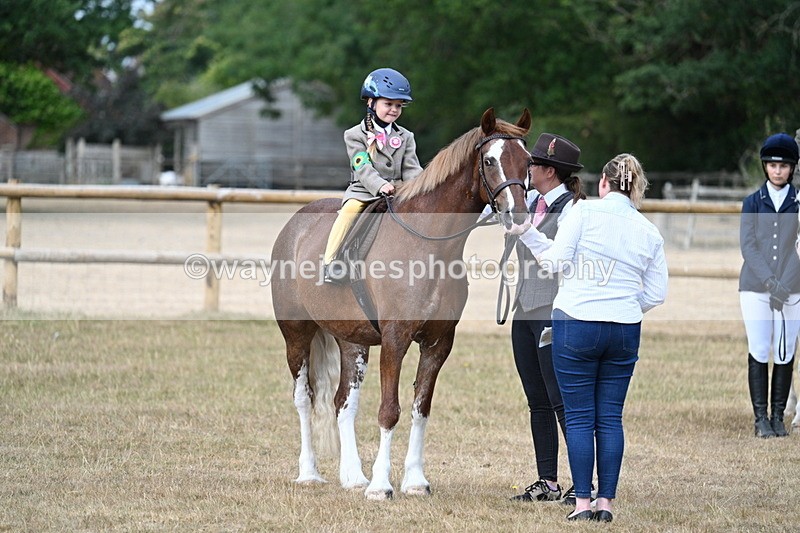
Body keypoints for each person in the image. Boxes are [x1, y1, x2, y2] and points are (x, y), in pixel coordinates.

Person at [512, 153, 668, 522]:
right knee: (610, 418)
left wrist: (528, 233)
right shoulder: (649, 230)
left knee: (580, 417)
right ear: (636, 187)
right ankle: (605, 504)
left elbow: (554, 262)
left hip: (577, 322)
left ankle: (582, 503)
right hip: (625, 328)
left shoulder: (582, 212)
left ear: (604, 183)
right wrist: (625, 306)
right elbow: (656, 293)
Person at [508, 133, 588, 505]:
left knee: (562, 400)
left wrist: (525, 232)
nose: (528, 169)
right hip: (525, 307)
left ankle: (584, 482)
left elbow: (558, 258)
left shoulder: (572, 210)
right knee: (537, 399)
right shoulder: (529, 201)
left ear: (549, 171)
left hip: (554, 310)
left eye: (533, 164)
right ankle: (548, 480)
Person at [322, 68, 423, 282]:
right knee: (348, 212)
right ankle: (331, 262)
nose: (394, 110)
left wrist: (421, 188)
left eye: (399, 105)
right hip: (364, 191)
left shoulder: (406, 136)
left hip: (398, 192)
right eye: (388, 104)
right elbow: (362, 167)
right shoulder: (354, 135)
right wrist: (379, 185)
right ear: (371, 102)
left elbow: (412, 168)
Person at [739, 132, 800, 438]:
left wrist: (784, 285)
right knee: (760, 348)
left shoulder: (798, 202)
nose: (778, 171)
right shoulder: (752, 202)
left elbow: (798, 248)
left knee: (785, 350)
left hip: (792, 288)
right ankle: (760, 417)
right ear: (765, 166)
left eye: (784, 166)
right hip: (755, 287)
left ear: (792, 168)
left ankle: (778, 416)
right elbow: (748, 247)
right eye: (773, 165)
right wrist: (770, 282)